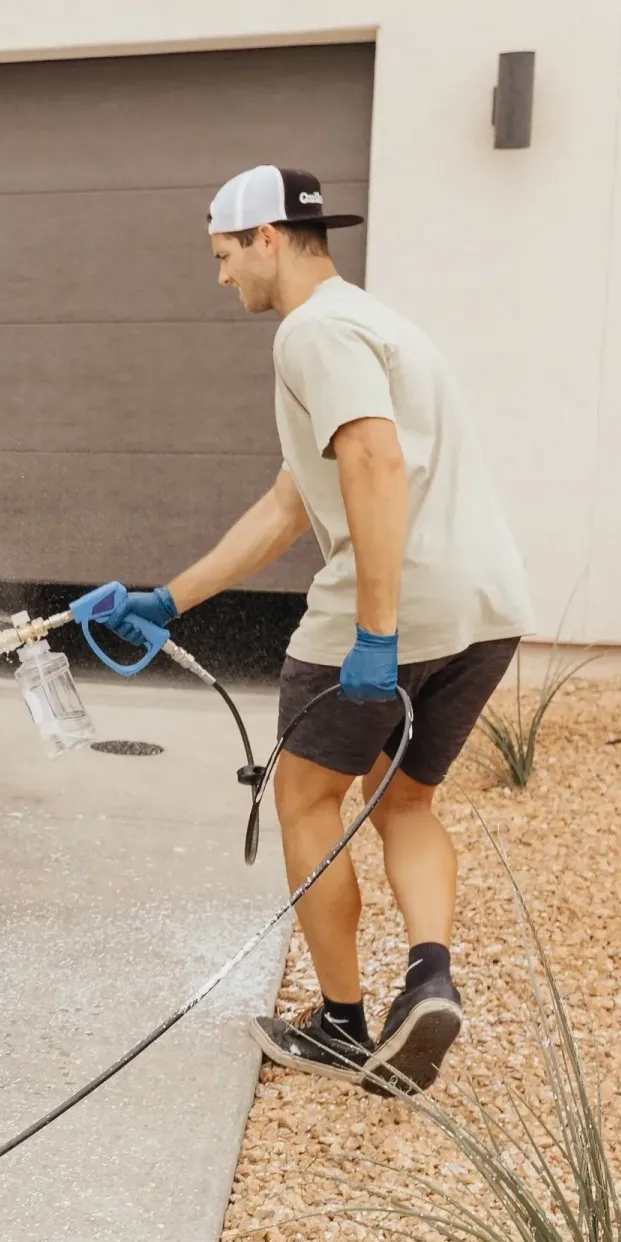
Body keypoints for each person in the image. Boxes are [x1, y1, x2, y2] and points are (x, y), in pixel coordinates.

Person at [105, 165, 534, 1094]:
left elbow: (374, 461)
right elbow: (289, 505)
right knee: (405, 802)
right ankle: (428, 978)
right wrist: (170, 599)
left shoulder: (314, 332)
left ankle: (340, 1026)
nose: (222, 278)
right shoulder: (381, 324)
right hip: (483, 608)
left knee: (306, 805)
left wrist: (375, 635)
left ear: (266, 238)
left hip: (383, 615)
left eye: (224, 256)